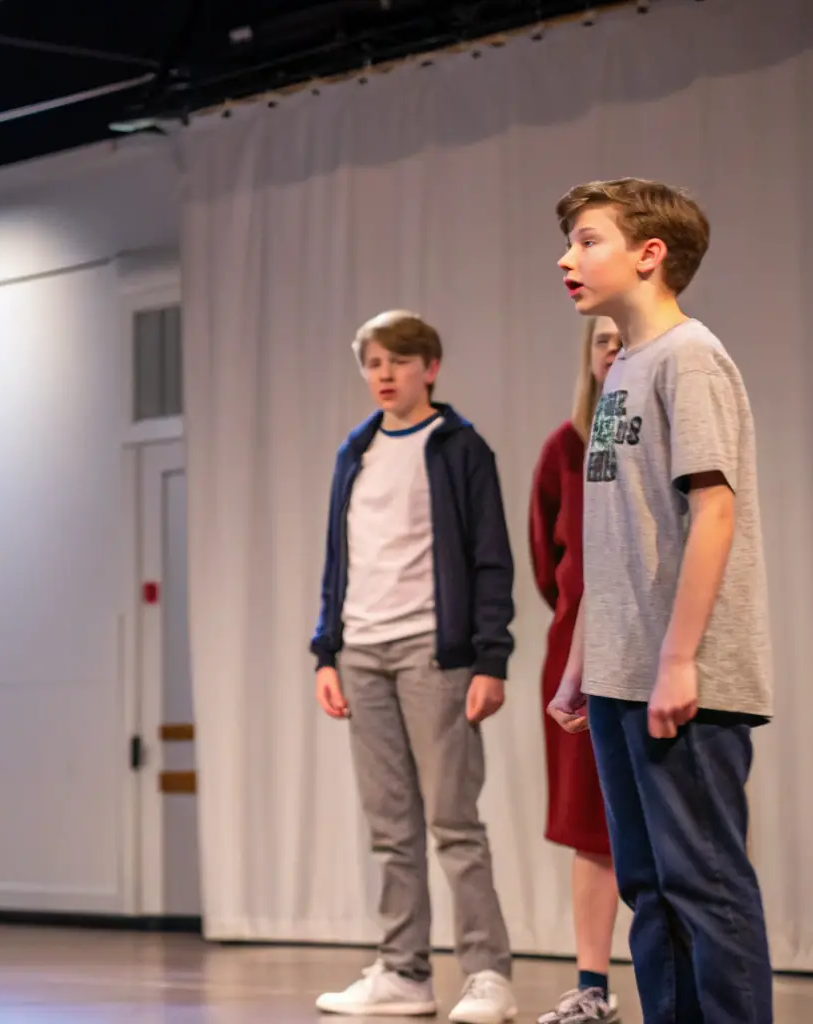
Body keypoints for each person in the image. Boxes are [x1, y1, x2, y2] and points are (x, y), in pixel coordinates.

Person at [549, 178, 773, 1024]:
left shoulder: (689, 358)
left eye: (586, 238)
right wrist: (582, 659)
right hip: (619, 671)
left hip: (684, 676)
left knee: (704, 887)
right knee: (648, 889)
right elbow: (613, 539)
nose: (566, 257)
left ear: (649, 255)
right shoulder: (623, 370)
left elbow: (712, 508)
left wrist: (676, 658)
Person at [310, 310, 517, 1023]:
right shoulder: (354, 452)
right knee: (388, 825)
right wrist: (325, 652)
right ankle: (402, 973)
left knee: (453, 823)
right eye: (372, 363)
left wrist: (490, 658)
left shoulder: (459, 449)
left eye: (398, 361)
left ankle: (488, 974)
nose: (384, 375)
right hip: (360, 654)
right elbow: (338, 560)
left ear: (429, 367)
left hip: (436, 654)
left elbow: (491, 559)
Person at [528, 317, 622, 1024]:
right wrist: (577, 649)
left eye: (623, 339)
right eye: (599, 341)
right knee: (590, 832)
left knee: (659, 829)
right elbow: (549, 566)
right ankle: (592, 987)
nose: (611, 350)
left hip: (649, 655)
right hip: (574, 664)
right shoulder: (562, 450)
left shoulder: (660, 438)